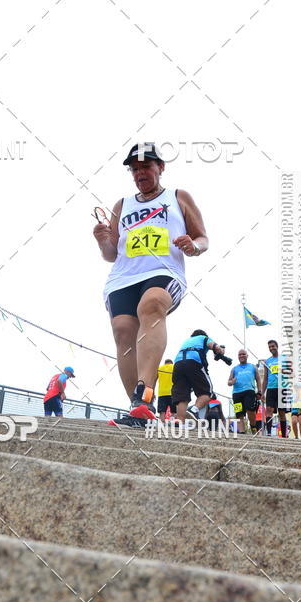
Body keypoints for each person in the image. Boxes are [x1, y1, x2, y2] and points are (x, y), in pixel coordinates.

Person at [93, 141, 209, 425]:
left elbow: (203, 238)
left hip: (164, 271)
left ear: (161, 167)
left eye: (146, 166)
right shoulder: (122, 205)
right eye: (134, 169)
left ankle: (145, 393)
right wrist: (102, 240)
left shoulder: (178, 196)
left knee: (152, 304)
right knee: (122, 331)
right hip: (124, 277)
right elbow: (111, 255)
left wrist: (192, 246)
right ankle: (139, 410)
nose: (140, 173)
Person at [170, 330, 226, 424]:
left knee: (182, 396)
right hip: (194, 362)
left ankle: (180, 422)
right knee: (207, 392)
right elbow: (215, 347)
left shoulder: (187, 341)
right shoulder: (203, 338)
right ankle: (194, 410)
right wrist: (221, 350)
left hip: (178, 364)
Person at [261, 340, 291, 439]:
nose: (271, 348)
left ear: (277, 346)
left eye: (273, 346)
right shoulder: (267, 361)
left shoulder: (284, 358)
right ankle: (269, 434)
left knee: (281, 413)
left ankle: (284, 435)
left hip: (282, 388)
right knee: (269, 410)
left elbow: (292, 373)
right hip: (270, 388)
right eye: (269, 347)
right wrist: (262, 392)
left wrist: (283, 370)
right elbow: (265, 378)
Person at [228, 350, 262, 433]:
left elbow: (258, 379)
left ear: (247, 355)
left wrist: (260, 391)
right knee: (239, 413)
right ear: (238, 356)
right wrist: (231, 382)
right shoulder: (234, 369)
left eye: (243, 354)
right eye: (239, 354)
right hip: (236, 393)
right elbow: (228, 382)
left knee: (250, 409)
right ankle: (242, 431)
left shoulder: (253, 367)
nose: (241, 356)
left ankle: (253, 427)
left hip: (249, 391)